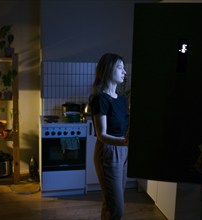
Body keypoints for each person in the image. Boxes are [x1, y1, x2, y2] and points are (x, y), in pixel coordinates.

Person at [89, 53, 129, 220]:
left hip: (123, 150)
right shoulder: (100, 99)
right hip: (109, 152)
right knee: (117, 210)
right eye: (120, 67)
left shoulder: (122, 98)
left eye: (124, 68)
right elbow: (102, 134)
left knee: (111, 203)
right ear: (107, 70)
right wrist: (125, 141)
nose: (124, 71)